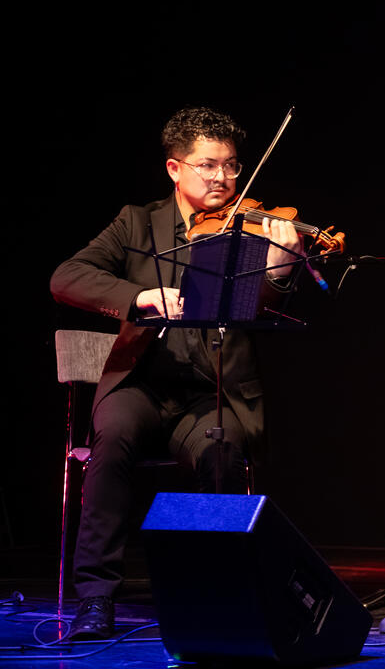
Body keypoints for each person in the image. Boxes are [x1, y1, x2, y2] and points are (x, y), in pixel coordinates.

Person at [50, 106, 302, 639]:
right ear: (174, 169)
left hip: (211, 391)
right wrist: (138, 296)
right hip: (139, 383)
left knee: (222, 450)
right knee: (113, 435)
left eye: (232, 166)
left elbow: (265, 307)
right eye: (209, 165)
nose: (223, 179)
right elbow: (66, 276)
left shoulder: (250, 228)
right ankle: (95, 597)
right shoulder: (136, 222)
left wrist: (279, 269)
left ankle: (220, 590)